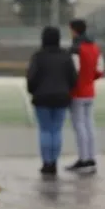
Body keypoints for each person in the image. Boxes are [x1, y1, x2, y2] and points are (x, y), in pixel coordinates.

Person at [26, 26, 77, 176]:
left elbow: (31, 77)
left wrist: (33, 91)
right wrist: (66, 89)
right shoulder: (66, 56)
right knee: (56, 130)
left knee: (45, 130)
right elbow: (73, 78)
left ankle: (46, 163)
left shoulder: (38, 56)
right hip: (62, 97)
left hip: (42, 98)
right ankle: (54, 161)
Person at [67, 18, 104, 174]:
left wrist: (74, 85)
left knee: (79, 125)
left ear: (74, 30)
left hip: (77, 92)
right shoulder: (95, 47)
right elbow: (100, 70)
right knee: (89, 125)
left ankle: (83, 159)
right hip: (90, 91)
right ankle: (91, 156)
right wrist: (89, 80)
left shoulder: (76, 48)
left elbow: (73, 71)